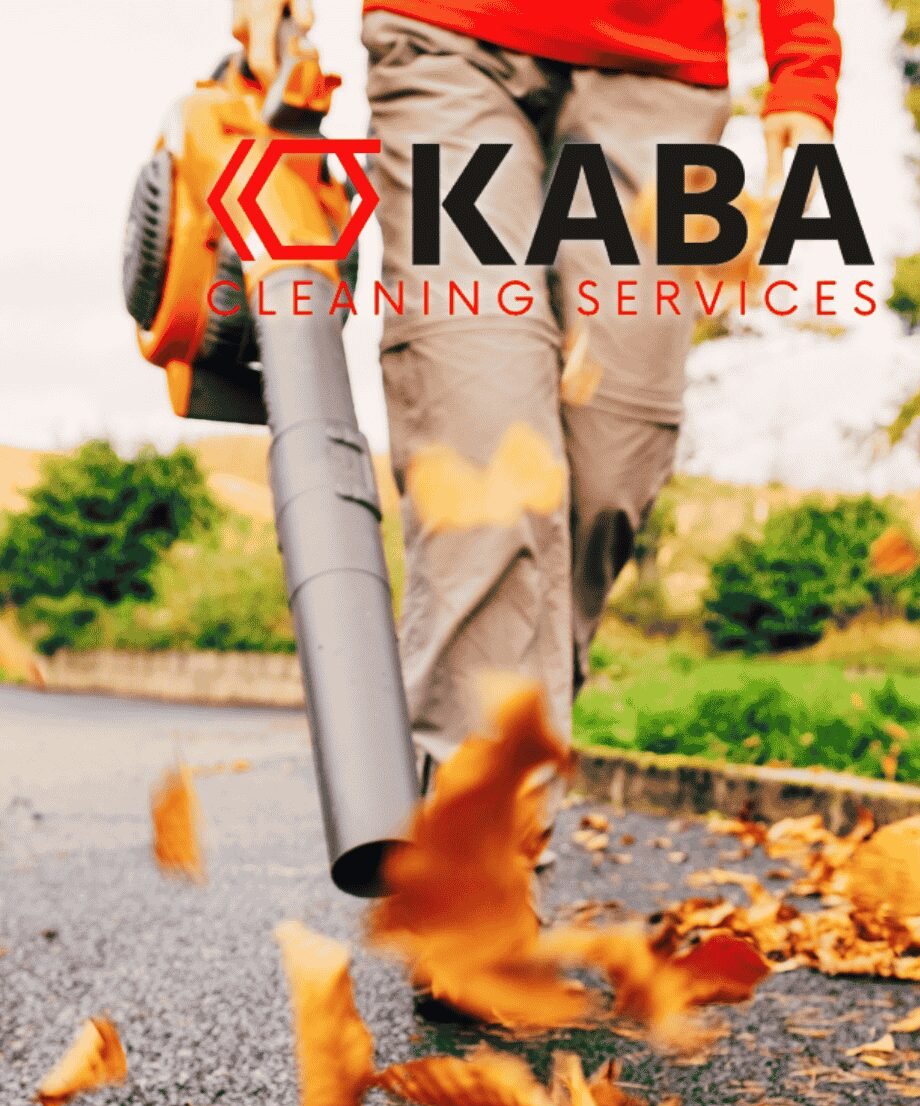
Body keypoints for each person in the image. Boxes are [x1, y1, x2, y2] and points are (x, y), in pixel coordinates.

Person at [232, 0, 841, 789]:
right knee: (490, 458)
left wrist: (804, 69)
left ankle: (496, 781)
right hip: (449, 38)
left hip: (664, 71)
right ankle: (478, 865)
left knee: (611, 468)